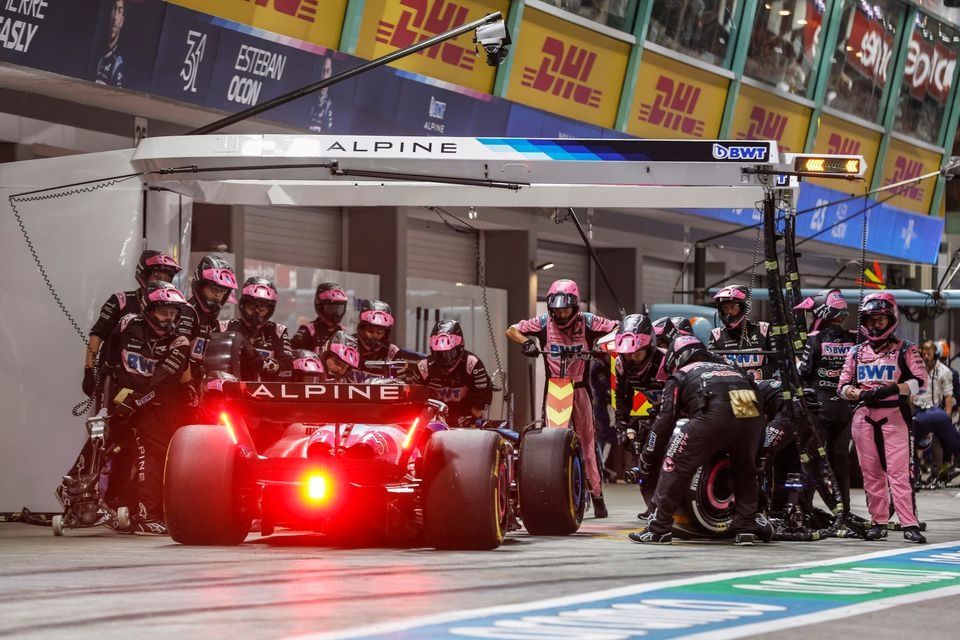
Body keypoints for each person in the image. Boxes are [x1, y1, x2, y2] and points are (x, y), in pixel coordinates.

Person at [629, 335, 770, 545]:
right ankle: (745, 528)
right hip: (749, 412)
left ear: (677, 357)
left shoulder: (681, 374)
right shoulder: (731, 368)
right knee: (745, 469)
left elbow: (663, 422)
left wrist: (648, 457)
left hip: (713, 415)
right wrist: (758, 450)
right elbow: (757, 396)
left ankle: (659, 528)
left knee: (673, 464)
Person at [506, 278, 618, 517]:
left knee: (588, 444)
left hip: (580, 389)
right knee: (551, 442)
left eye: (566, 308)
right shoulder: (543, 322)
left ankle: (597, 496)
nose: (561, 313)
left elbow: (619, 328)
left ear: (575, 306)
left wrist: (603, 346)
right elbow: (512, 330)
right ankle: (551, 492)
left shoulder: (588, 321)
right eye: (557, 309)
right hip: (555, 388)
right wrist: (526, 342)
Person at [838, 292, 928, 543]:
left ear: (891, 320)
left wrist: (892, 389)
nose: (875, 325)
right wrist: (857, 393)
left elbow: (921, 382)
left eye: (880, 320)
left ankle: (909, 523)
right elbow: (842, 385)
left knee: (900, 472)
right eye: (871, 320)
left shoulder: (907, 349)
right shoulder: (855, 352)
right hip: (864, 416)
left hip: (895, 414)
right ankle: (878, 522)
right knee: (871, 472)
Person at [104, 281, 191, 534]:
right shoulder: (128, 323)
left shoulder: (181, 342)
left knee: (152, 454)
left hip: (157, 406)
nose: (170, 318)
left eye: (174, 313)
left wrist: (135, 402)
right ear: (149, 310)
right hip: (124, 400)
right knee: (103, 441)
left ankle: (144, 512)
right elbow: (110, 353)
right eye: (164, 312)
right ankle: (77, 494)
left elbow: (162, 384)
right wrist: (103, 378)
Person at [84, 250, 181, 400]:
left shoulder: (173, 307)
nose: (162, 280)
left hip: (150, 380)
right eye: (157, 275)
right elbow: (97, 334)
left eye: (167, 277)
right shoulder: (121, 300)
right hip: (114, 377)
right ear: (144, 275)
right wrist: (90, 369)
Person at [795, 289, 857, 515]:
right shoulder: (854, 339)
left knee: (810, 460)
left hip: (819, 409)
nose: (812, 319)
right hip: (845, 408)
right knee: (840, 462)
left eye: (813, 314)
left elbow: (802, 372)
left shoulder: (814, 339)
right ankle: (845, 512)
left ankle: (805, 510)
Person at [611, 314, 664, 515]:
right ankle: (653, 508)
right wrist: (622, 427)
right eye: (627, 354)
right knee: (640, 447)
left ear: (649, 347)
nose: (631, 358)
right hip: (657, 411)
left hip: (682, 412)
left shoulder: (667, 360)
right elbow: (623, 397)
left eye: (637, 354)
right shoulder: (622, 364)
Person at [413, 320, 493, 426]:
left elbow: (480, 403)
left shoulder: (472, 363)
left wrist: (463, 420)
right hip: (433, 420)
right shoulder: (423, 367)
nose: (446, 359)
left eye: (450, 353)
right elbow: (415, 403)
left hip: (467, 419)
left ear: (460, 348)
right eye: (440, 354)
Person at [178, 255, 238, 386]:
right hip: (178, 387)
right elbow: (180, 356)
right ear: (201, 286)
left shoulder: (208, 319)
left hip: (194, 384)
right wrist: (187, 387)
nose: (218, 295)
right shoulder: (188, 312)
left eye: (222, 291)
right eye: (214, 289)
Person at [226, 277, 294, 381]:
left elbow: (288, 369)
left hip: (267, 393)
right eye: (252, 306)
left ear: (270, 310)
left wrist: (264, 364)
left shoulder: (278, 331)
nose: (256, 313)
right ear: (243, 305)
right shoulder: (225, 327)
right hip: (233, 390)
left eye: (262, 308)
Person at [912, 340, 960, 481]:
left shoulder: (945, 372)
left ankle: (937, 471)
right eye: (924, 353)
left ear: (936, 354)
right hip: (917, 409)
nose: (926, 356)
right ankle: (915, 472)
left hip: (934, 410)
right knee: (912, 441)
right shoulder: (915, 368)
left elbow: (948, 395)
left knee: (939, 440)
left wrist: (948, 416)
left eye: (929, 353)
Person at [708, 285, 773, 380]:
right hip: (731, 386)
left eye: (733, 307)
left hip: (759, 385)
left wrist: (760, 373)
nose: (729, 312)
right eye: (725, 308)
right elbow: (711, 366)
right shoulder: (716, 334)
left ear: (744, 307)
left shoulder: (763, 329)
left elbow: (777, 361)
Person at [291, 283, 348, 352]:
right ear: (320, 306)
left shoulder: (344, 332)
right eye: (331, 309)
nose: (335, 314)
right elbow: (290, 356)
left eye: (339, 309)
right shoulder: (308, 332)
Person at [354, 300, 403, 375]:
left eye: (380, 332)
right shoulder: (349, 345)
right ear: (362, 329)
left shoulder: (393, 353)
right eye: (370, 331)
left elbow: (401, 384)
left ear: (386, 333)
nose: (375, 336)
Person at [95, 0, 125, 86]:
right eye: (114, 9)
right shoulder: (95, 53)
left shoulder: (119, 62)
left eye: (119, 11)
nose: (115, 17)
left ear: (122, 21)